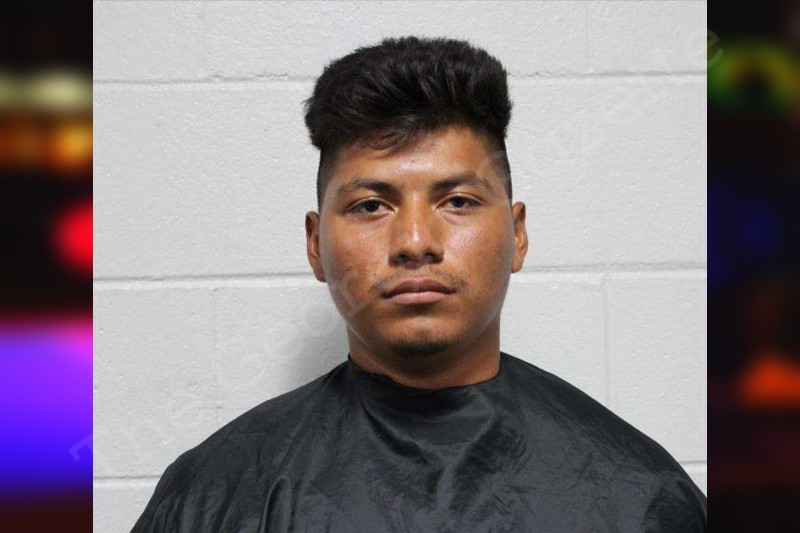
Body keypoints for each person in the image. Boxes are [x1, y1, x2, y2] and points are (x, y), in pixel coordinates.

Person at [132, 36, 707, 532]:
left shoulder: (641, 496)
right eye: (370, 205)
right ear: (315, 244)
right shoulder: (215, 494)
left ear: (517, 235)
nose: (413, 241)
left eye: (457, 201)